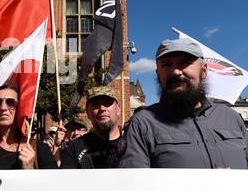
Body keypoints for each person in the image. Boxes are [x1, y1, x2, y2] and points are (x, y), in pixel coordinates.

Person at [120, 38, 248, 169]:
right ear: (158, 74)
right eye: (166, 65)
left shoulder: (231, 118)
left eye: (184, 63)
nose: (175, 71)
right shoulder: (142, 124)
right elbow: (133, 185)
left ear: (203, 71)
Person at [0, 84, 57, 169]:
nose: (3, 108)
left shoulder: (40, 149)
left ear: (20, 108)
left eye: (11, 102)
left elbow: (55, 184)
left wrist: (29, 170)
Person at [60, 86, 126, 168]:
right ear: (88, 112)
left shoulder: (133, 144)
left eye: (107, 103)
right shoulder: (73, 148)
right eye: (95, 104)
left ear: (118, 109)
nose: (102, 108)